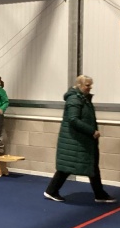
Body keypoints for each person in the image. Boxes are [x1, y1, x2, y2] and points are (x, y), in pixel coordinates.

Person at [44, 75, 116, 204]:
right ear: (79, 85)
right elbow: (73, 120)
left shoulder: (82, 98)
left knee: (90, 166)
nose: (90, 87)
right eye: (87, 85)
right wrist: (92, 131)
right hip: (76, 141)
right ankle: (52, 191)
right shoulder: (74, 99)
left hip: (81, 140)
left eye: (90, 85)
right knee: (67, 168)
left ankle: (99, 194)